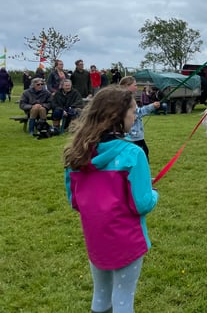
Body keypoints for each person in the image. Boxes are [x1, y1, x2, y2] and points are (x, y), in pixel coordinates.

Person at [64, 86, 159, 312]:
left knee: (101, 295)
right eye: (133, 111)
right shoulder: (133, 154)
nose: (135, 116)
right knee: (123, 299)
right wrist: (153, 193)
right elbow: (142, 203)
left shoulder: (78, 153)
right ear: (118, 116)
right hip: (127, 240)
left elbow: (74, 201)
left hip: (96, 239)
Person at [120, 76, 160, 161]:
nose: (137, 87)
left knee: (144, 154)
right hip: (132, 137)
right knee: (140, 157)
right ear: (127, 86)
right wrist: (152, 106)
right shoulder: (125, 100)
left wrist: (152, 106)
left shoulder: (130, 99)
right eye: (135, 85)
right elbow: (138, 113)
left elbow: (137, 112)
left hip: (136, 136)